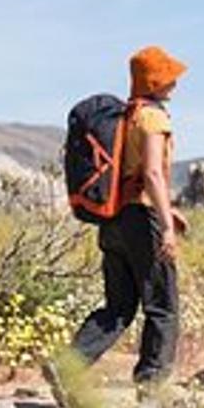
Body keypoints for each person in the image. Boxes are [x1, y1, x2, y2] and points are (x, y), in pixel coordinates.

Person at [65, 45, 187, 389]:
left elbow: (126, 173)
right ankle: (151, 386)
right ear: (156, 80)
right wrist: (165, 227)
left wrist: (168, 209)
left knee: (118, 307)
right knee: (163, 305)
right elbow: (152, 173)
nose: (175, 83)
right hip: (141, 220)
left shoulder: (124, 117)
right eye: (170, 77)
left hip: (114, 219)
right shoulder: (152, 118)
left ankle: (67, 368)